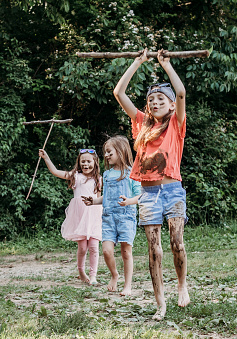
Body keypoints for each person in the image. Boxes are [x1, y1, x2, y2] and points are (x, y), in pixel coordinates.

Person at [113, 49, 190, 320]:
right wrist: (137, 62)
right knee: (153, 250)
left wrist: (166, 65)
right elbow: (119, 93)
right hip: (148, 193)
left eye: (161, 99)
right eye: (152, 99)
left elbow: (180, 92)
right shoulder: (141, 126)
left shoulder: (175, 126)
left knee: (176, 244)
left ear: (170, 105)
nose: (156, 102)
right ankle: (161, 303)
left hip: (171, 190)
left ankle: (182, 285)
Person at [83, 135, 141, 296]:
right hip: (108, 218)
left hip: (126, 217)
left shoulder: (132, 173)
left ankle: (127, 285)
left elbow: (140, 196)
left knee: (125, 251)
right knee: (107, 251)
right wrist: (94, 201)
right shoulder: (107, 175)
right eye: (105, 152)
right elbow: (106, 197)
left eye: (109, 152)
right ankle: (115, 275)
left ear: (121, 151)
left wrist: (129, 201)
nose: (106, 155)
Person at [39, 148, 103, 285]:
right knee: (82, 248)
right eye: (83, 161)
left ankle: (93, 276)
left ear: (95, 162)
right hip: (79, 216)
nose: (86, 164)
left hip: (93, 216)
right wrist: (46, 158)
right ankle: (81, 271)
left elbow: (99, 199)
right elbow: (56, 172)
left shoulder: (98, 179)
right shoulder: (76, 176)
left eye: (89, 161)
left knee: (94, 247)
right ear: (79, 163)